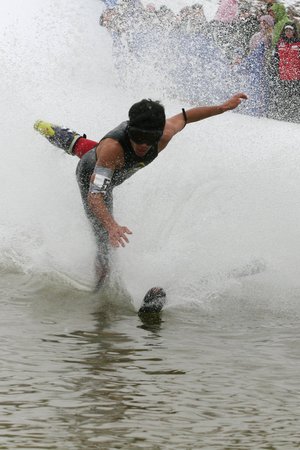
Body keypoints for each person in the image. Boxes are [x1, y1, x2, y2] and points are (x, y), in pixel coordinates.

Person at [34, 93, 247, 289]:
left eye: (149, 140)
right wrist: (112, 226)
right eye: (138, 137)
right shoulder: (113, 148)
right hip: (92, 175)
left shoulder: (165, 133)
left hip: (103, 160)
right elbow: (95, 196)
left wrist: (222, 107)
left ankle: (62, 136)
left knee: (86, 148)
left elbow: (186, 116)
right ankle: (101, 292)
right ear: (130, 130)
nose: (143, 145)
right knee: (104, 242)